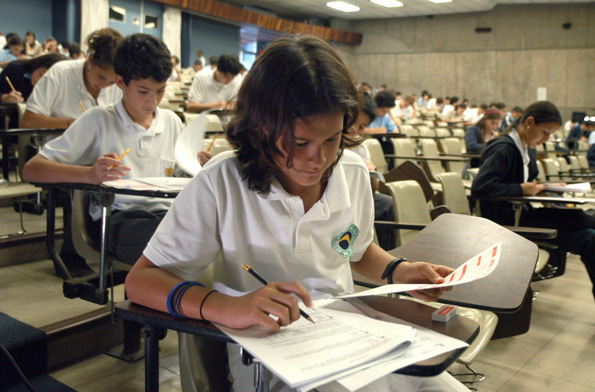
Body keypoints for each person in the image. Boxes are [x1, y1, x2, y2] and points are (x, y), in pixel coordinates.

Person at [124, 35, 465, 392]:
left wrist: (399, 270)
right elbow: (142, 280)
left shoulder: (351, 172)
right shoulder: (221, 182)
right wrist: (226, 306)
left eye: (331, 140)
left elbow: (353, 250)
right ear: (260, 126)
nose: (317, 160)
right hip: (270, 353)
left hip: (350, 331)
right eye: (299, 143)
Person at [23, 33, 183, 274]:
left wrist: (200, 166)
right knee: (179, 242)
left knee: (203, 232)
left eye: (160, 91)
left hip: (165, 215)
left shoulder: (171, 121)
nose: (153, 102)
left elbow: (182, 178)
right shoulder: (98, 120)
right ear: (120, 82)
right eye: (143, 91)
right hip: (117, 220)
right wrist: (89, 174)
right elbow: (32, 169)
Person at [472, 101, 595, 298]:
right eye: (545, 132)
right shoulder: (502, 148)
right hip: (508, 220)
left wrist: (545, 188)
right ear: (529, 122)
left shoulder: (527, 148)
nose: (546, 138)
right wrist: (521, 188)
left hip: (524, 211)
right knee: (589, 238)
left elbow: (527, 184)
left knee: (588, 219)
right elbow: (481, 187)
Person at [21, 28, 123, 129]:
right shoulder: (60, 73)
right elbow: (28, 121)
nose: (103, 85)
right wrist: (72, 123)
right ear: (91, 59)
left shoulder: (119, 85)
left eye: (111, 82)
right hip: (61, 144)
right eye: (101, 77)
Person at [348, 92, 395, 250]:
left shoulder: (360, 148)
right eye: (353, 121)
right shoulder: (329, 143)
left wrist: (371, 169)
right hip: (343, 197)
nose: (355, 129)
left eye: (361, 127)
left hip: (361, 194)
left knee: (388, 203)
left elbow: (373, 189)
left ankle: (387, 251)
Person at [0, 53, 67, 103]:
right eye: (41, 74)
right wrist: (5, 98)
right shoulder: (15, 68)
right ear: (38, 64)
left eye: (47, 81)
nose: (39, 81)